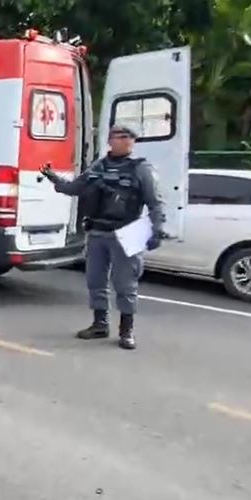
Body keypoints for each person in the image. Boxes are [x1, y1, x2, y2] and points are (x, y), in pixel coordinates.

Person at [41, 125, 164, 350]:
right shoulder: (98, 166)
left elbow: (155, 203)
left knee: (125, 284)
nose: (127, 141)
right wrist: (52, 177)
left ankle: (126, 331)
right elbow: (74, 188)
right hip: (98, 231)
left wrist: (157, 230)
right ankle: (100, 324)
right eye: (122, 137)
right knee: (95, 280)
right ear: (110, 141)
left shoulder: (141, 169)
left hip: (127, 232)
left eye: (130, 138)